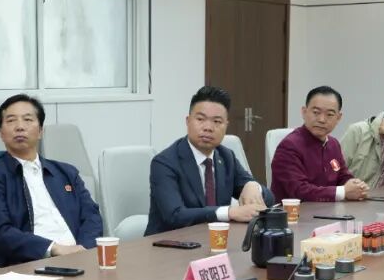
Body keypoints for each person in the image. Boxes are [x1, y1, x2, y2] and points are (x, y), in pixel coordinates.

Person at [0, 94, 102, 267]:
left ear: (41, 131)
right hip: (29, 264)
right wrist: (53, 248)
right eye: (11, 121)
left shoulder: (66, 172)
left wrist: (84, 249)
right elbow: (1, 232)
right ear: (1, 133)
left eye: (28, 120)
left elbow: (92, 216)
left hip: (81, 258)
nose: (20, 127)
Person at [145, 86, 272, 236]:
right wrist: (229, 212)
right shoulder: (165, 163)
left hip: (213, 241)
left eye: (217, 121)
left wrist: (252, 186)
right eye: (200, 119)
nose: (208, 128)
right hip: (168, 243)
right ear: (188, 121)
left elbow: (269, 199)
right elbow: (175, 216)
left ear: (226, 126)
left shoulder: (226, 157)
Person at [270, 85, 369, 202]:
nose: (322, 119)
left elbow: (343, 176)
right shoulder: (289, 146)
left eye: (329, 114)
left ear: (338, 118)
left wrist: (357, 186)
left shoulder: (333, 144)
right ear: (304, 112)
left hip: (329, 210)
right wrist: (343, 192)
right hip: (295, 212)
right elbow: (299, 191)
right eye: (316, 112)